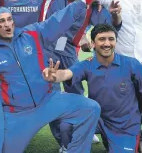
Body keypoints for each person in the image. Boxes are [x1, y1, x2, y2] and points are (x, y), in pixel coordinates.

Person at [0, 0, 111, 152]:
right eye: (1, 22)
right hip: (18, 114)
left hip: (48, 101)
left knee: (90, 108)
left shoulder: (32, 34)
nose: (7, 25)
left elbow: (60, 18)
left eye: (9, 20)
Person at [42, 24, 142, 153]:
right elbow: (68, 73)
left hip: (124, 125)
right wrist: (55, 76)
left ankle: (123, 141)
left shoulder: (132, 64)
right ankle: (68, 148)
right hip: (98, 119)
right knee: (66, 126)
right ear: (93, 43)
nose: (107, 43)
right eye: (102, 39)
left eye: (111, 39)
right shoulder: (87, 64)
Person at [44, 0, 112, 151]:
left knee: (75, 88)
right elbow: (54, 27)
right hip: (49, 48)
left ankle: (82, 129)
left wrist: (89, 37)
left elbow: (105, 27)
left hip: (69, 49)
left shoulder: (94, 3)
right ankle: (63, 143)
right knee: (53, 94)